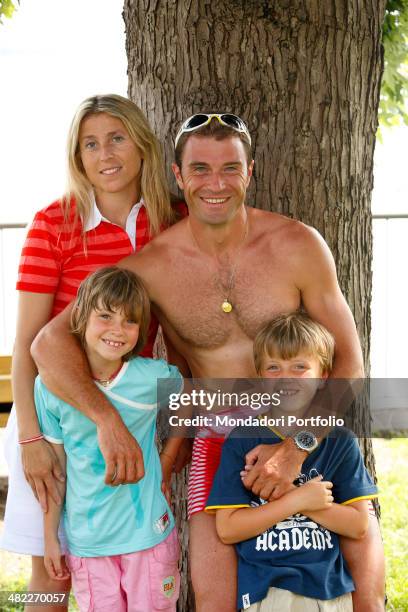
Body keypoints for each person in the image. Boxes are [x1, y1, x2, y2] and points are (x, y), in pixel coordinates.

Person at [32, 113, 385, 611]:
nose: (215, 183)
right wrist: (106, 419)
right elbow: (48, 342)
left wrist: (297, 446)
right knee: (215, 603)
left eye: (229, 168)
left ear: (250, 171)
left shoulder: (298, 244)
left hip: (313, 430)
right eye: (200, 169)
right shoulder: (152, 266)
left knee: (365, 599)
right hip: (219, 438)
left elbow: (350, 362)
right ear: (179, 176)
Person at [2, 93, 185, 610]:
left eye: (116, 138)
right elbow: (29, 344)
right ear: (78, 157)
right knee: (53, 572)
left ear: (141, 144)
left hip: (135, 416)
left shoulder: (173, 221)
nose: (104, 154)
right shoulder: (52, 224)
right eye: (90, 143)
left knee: (133, 565)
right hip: (56, 418)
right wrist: (30, 437)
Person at [205, 312, 378, 611]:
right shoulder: (242, 440)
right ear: (260, 377)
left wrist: (308, 502)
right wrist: (297, 500)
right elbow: (228, 529)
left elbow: (359, 525)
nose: (286, 377)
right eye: (274, 367)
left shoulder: (340, 441)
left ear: (323, 377)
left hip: (329, 593)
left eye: (300, 367)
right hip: (268, 592)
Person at [37, 267, 182, 611]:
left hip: (147, 535)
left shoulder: (151, 377)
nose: (117, 330)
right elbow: (57, 469)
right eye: (104, 316)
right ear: (82, 318)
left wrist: (165, 461)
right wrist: (49, 537)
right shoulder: (50, 387)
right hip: (89, 543)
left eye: (130, 321)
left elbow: (188, 399)